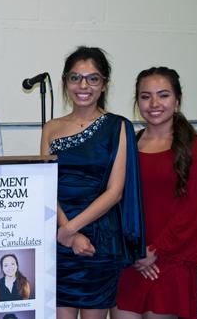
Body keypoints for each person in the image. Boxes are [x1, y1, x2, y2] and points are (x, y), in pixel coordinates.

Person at [39, 46, 145, 319]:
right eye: (75, 78)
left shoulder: (118, 126)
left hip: (97, 242)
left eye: (92, 78)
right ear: (65, 82)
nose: (83, 85)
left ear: (104, 84)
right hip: (59, 239)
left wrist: (71, 230)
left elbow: (115, 192)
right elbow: (46, 184)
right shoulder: (51, 127)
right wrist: (67, 233)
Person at [112, 67, 197, 319]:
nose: (154, 103)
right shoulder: (129, 145)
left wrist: (156, 250)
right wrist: (134, 251)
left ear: (177, 101)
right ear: (137, 102)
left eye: (163, 95)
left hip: (170, 261)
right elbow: (116, 201)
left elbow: (195, 209)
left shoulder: (195, 147)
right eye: (146, 96)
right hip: (131, 259)